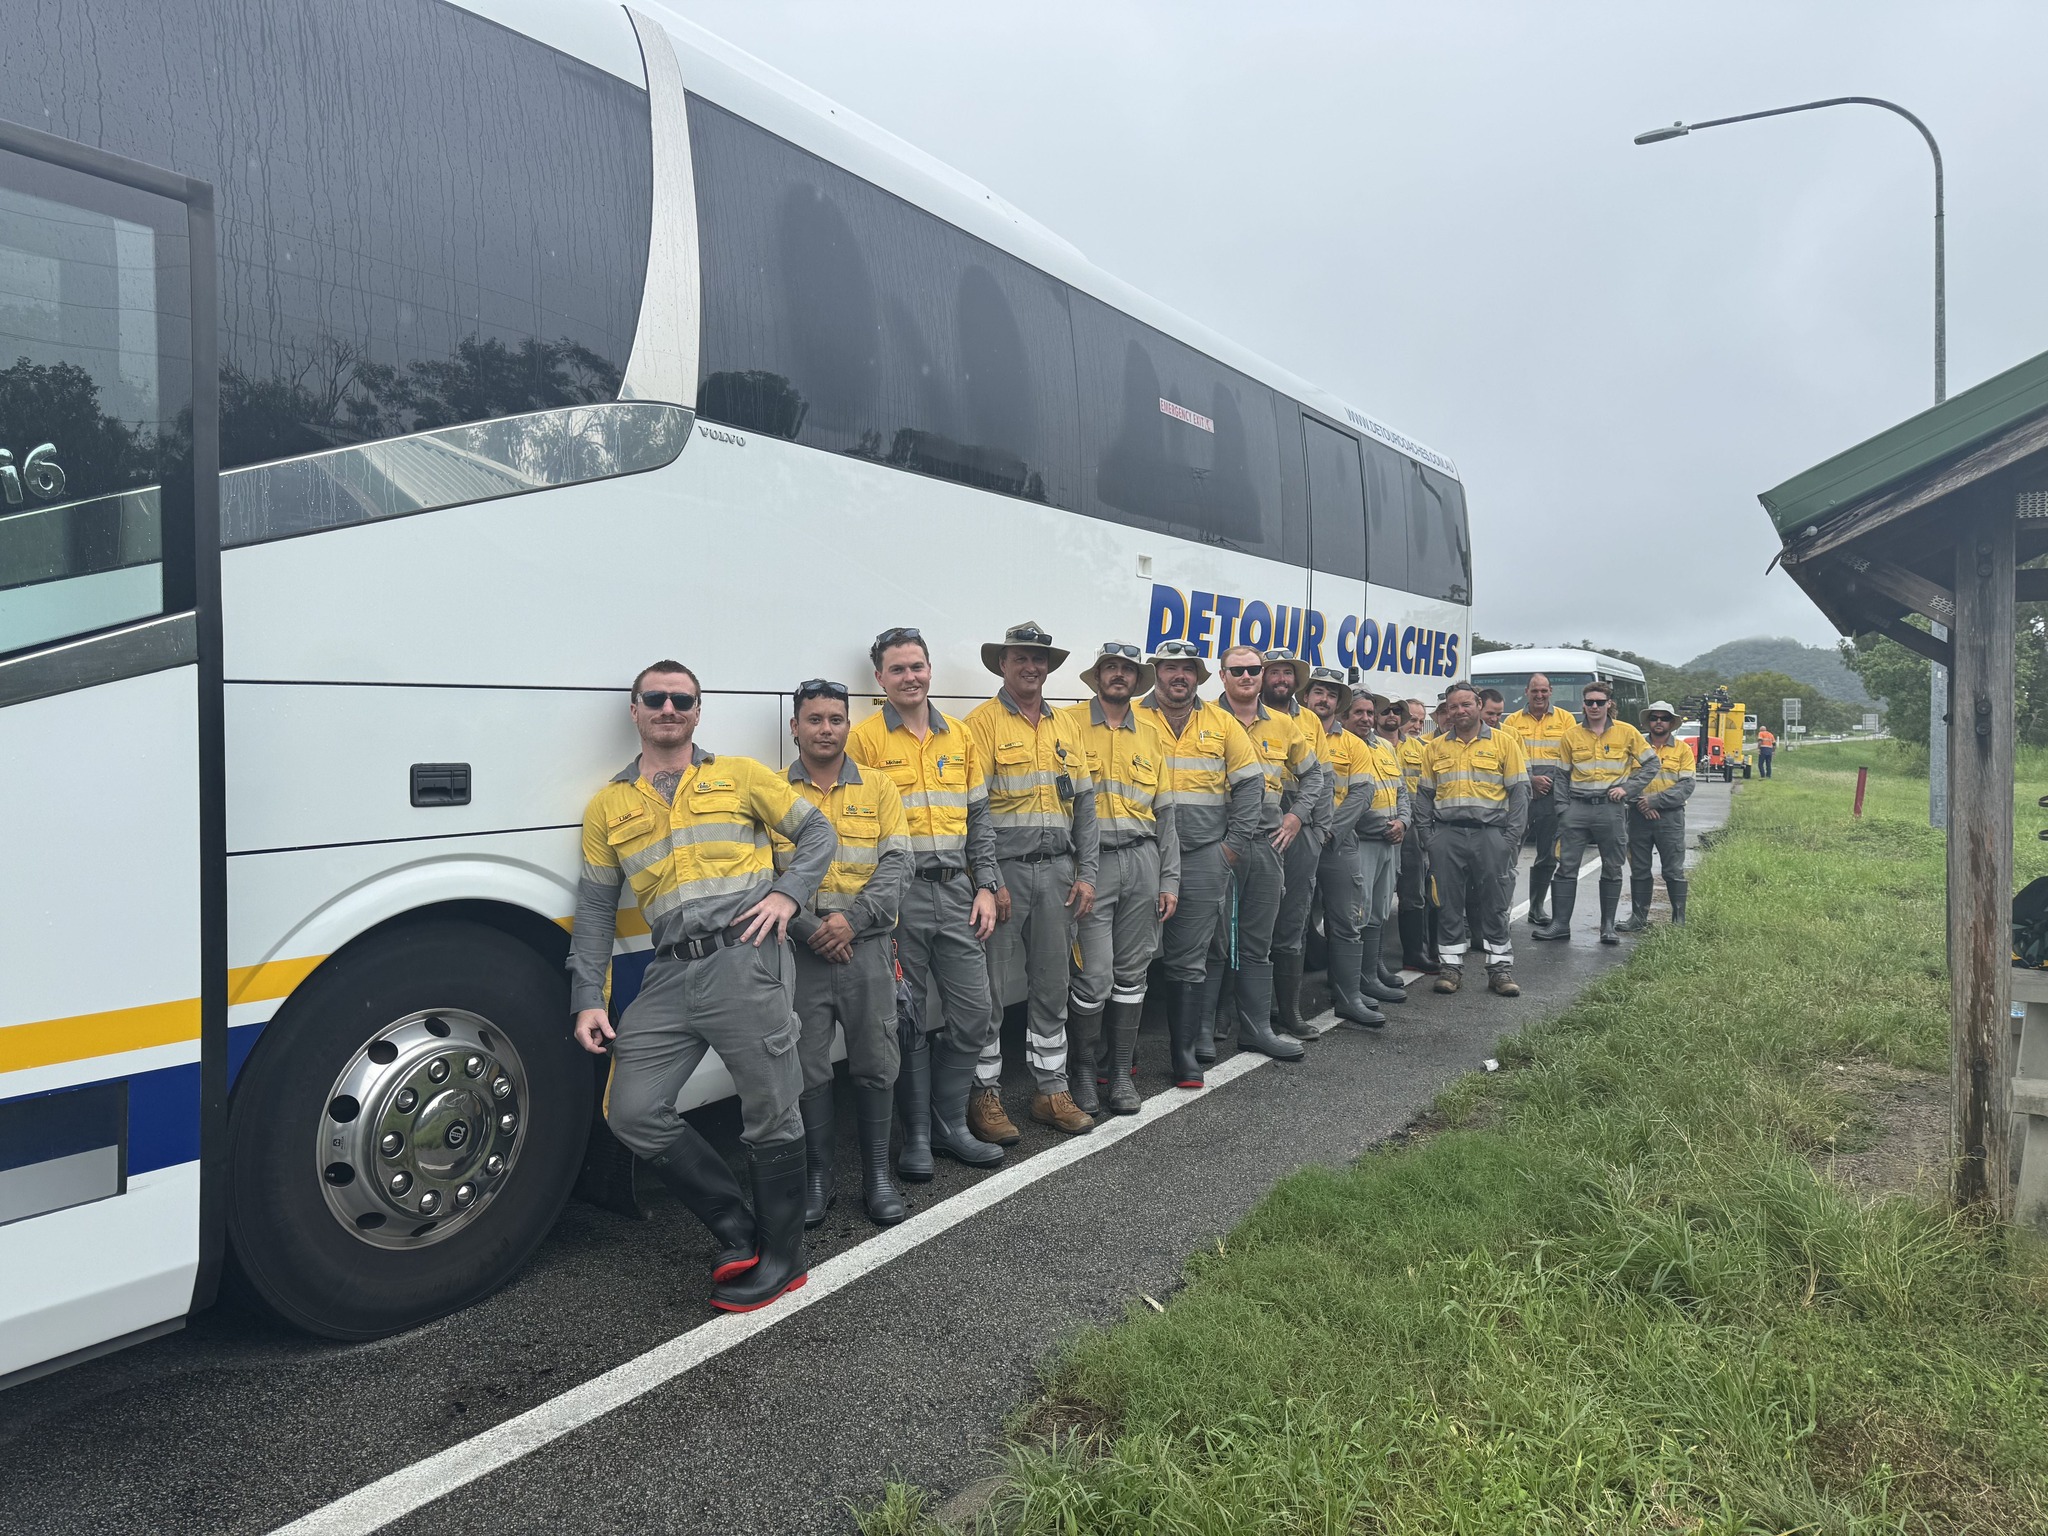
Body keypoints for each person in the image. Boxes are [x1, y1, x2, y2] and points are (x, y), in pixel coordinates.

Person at [570, 661, 837, 1312]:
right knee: (632, 1110)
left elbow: (817, 833)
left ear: (697, 711)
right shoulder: (609, 805)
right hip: (668, 970)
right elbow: (599, 909)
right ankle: (736, 1227)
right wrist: (586, 998)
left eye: (681, 699)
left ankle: (784, 1259)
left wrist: (786, 895)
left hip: (744, 958)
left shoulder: (739, 776)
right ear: (635, 710)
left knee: (769, 1106)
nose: (668, 707)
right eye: (655, 698)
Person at [847, 627, 1006, 1178]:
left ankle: (949, 1125)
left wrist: (986, 884)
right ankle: (916, 1138)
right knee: (907, 1020)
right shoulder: (864, 741)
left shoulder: (960, 737)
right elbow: (854, 824)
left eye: (917, 666)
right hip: (900, 898)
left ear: (930, 669)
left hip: (959, 890)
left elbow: (980, 818)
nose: (910, 677)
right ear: (880, 679)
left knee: (975, 1013)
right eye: (898, 669)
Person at [780, 679, 912, 1228]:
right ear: (795, 727)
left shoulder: (879, 788)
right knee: (808, 1069)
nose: (826, 728)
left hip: (868, 949)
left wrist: (850, 923)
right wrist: (814, 929)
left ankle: (877, 1177)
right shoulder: (771, 792)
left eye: (836, 718)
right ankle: (819, 1178)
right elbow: (764, 874)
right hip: (802, 953)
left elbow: (898, 865)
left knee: (876, 1064)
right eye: (814, 719)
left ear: (848, 725)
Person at [966, 622, 1099, 1135]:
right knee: (989, 993)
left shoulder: (1066, 725)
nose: (1031, 666)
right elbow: (975, 812)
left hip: (1059, 874)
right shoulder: (979, 725)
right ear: (1003, 663)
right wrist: (989, 877)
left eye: (1039, 659)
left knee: (1051, 986)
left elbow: (1085, 805)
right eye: (1020, 657)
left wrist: (1086, 872)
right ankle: (986, 1096)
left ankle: (1051, 1090)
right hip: (1005, 880)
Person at [1060, 643, 1179, 1115]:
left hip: (1143, 861)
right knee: (1093, 977)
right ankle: (1084, 1072)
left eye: (1127, 670)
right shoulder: (1067, 726)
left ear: (1136, 680)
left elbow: (1166, 816)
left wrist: (1169, 880)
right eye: (1110, 668)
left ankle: (1120, 1074)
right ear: (1098, 676)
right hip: (1091, 868)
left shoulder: (1150, 733)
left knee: (1133, 975)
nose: (1118, 676)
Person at [1137, 639, 1263, 1084]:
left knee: (1189, 958)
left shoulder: (1222, 723)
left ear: (1199, 676)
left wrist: (1230, 848)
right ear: (1156, 672)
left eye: (1188, 669)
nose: (1179, 676)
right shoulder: (1132, 717)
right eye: (1171, 668)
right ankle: (1120, 1057)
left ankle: (1184, 1054)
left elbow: (1251, 785)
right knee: (1130, 958)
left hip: (1202, 855)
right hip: (1142, 856)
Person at [1213, 643, 1315, 1062]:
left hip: (1266, 844)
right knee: (1212, 940)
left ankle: (1256, 1029)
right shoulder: (1205, 720)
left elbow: (1314, 779)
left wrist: (1296, 819)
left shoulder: (1286, 725)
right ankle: (1210, 1025)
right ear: (1222, 676)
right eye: (1236, 670)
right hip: (1216, 845)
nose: (1246, 677)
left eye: (1253, 669)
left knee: (1258, 940)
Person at [1413, 682, 1528, 997]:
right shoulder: (1434, 748)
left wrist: (1510, 840)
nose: (1460, 711)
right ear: (1446, 712)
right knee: (1448, 904)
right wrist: (1428, 837)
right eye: (1453, 707)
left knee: (1495, 904)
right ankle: (1450, 969)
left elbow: (1520, 795)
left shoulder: (1504, 744)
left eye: (1466, 704)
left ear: (1478, 705)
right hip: (1447, 835)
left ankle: (1500, 971)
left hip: (1491, 835)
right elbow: (1424, 798)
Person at [1532, 680, 1659, 946]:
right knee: (1566, 867)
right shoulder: (1571, 735)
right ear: (1583, 704)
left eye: (1599, 702)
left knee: (1612, 868)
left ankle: (1608, 927)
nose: (1594, 706)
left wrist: (1627, 789)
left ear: (1609, 704)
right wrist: (1562, 809)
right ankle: (1560, 924)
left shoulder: (1627, 733)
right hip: (1576, 808)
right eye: (1589, 702)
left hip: (1610, 810)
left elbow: (1651, 764)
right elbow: (1562, 775)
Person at [1294, 667, 1377, 1028]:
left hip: (1337, 842)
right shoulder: (1291, 729)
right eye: (1318, 692)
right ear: (1306, 696)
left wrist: (1328, 831)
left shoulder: (1354, 745)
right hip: (1296, 839)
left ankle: (1349, 998)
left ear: (1337, 702)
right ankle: (1286, 1006)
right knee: (1292, 923)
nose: (1324, 699)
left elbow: (1362, 794)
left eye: (1331, 694)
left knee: (1346, 919)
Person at [1264, 648, 1335, 1040]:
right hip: (1258, 830)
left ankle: (1288, 1010)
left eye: (1287, 674)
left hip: (1300, 827)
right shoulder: (1242, 715)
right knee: (1246, 924)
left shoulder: (1309, 720)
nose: (1281, 679)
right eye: (1274, 672)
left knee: (1292, 922)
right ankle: (1233, 1012)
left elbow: (1322, 779)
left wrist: (1318, 831)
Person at [1349, 692, 1413, 1007]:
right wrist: (1382, 828)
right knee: (1357, 912)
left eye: (1368, 713)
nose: (1365, 718)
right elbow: (1342, 799)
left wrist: (1402, 822)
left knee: (1379, 910)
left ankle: (1372, 972)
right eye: (1358, 712)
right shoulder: (1342, 746)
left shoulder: (1385, 747)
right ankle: (1355, 980)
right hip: (1362, 842)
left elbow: (1401, 790)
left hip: (1390, 839)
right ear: (1345, 717)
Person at [1502, 673, 1573, 926]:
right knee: (1509, 852)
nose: (1539, 695)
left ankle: (1536, 908)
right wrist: (1531, 780)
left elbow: (1569, 757)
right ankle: (1503, 910)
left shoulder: (1566, 719)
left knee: (1547, 855)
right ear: (1526, 692)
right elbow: (1508, 756)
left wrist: (1552, 784)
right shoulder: (1511, 721)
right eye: (1535, 691)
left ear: (1551, 691)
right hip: (1521, 795)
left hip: (1552, 797)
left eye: (1544, 691)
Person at [1618, 700, 1696, 931]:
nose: (1658, 722)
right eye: (1654, 717)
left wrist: (1655, 802)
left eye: (1663, 718)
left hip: (1670, 818)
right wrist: (1641, 803)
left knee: (1673, 869)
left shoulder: (1683, 750)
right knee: (1639, 868)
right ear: (1648, 721)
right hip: (1637, 816)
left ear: (1671, 723)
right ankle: (1638, 919)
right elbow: (1624, 780)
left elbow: (1686, 786)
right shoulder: (1635, 746)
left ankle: (1678, 920)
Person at [1394, 696, 1437, 972]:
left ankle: (1414, 953)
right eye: (1412, 719)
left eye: (1421, 721)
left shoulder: (1422, 749)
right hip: (1380, 826)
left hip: (1410, 830)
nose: (1416, 725)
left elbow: (1427, 791)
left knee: (1414, 892)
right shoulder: (1376, 744)